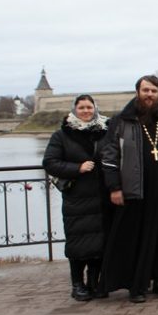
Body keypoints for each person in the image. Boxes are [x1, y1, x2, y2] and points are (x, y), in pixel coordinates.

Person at [101, 75, 158, 303]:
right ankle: (137, 285)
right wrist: (114, 187)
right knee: (135, 239)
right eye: (145, 90)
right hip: (135, 190)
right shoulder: (122, 121)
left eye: (154, 91)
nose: (149, 95)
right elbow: (109, 156)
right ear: (137, 91)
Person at [43, 94, 109, 301]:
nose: (86, 111)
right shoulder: (62, 135)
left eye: (90, 107)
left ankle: (95, 282)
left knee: (100, 242)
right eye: (82, 108)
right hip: (77, 197)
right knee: (78, 242)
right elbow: (50, 162)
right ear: (74, 110)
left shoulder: (104, 132)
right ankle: (77, 284)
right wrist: (77, 168)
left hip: (101, 195)